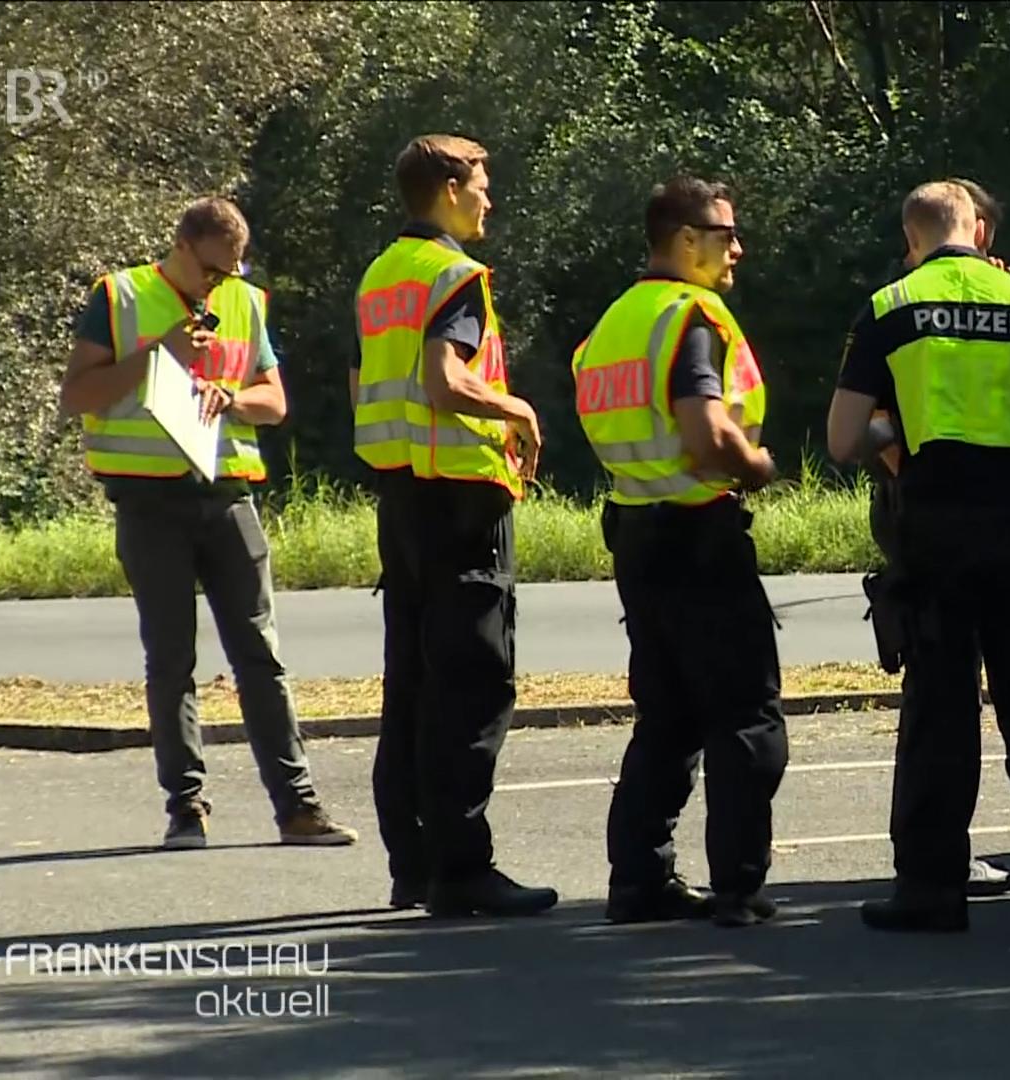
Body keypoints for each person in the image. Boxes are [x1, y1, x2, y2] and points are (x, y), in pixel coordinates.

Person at [829, 180, 1010, 932]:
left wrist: (903, 438)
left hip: (934, 537)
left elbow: (845, 438)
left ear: (912, 237)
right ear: (979, 231)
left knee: (939, 712)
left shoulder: (891, 308)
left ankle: (932, 887)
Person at [59, 196, 359, 851]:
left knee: (261, 656)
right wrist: (157, 357)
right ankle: (186, 808)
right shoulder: (121, 296)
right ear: (182, 247)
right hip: (148, 503)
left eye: (234, 271)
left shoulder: (246, 303)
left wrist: (235, 399)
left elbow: (274, 401)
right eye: (214, 271)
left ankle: (298, 808)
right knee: (171, 660)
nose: (223, 284)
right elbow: (77, 393)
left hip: (228, 497)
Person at [351, 133, 559, 918]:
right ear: (447, 188)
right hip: (462, 500)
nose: (488, 198)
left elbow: (367, 380)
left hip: (401, 495)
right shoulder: (454, 274)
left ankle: (414, 866)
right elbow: (445, 381)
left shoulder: (381, 273)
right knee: (471, 684)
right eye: (480, 184)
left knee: (410, 682)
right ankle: (463, 868)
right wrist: (518, 409)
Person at [572, 176, 788, 929]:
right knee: (746, 715)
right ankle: (738, 888)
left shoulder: (613, 324)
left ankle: (639, 882)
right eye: (727, 235)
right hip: (701, 531)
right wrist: (755, 466)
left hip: (635, 530)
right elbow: (704, 429)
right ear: (686, 240)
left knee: (665, 718)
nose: (739, 250)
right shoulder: (690, 316)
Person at [865, 175, 1010, 897]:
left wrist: (905, 458)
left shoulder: (893, 307)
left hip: (928, 513)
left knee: (940, 695)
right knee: (987, 698)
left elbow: (852, 422)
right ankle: (935, 856)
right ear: (976, 232)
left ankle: (931, 868)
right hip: (969, 516)